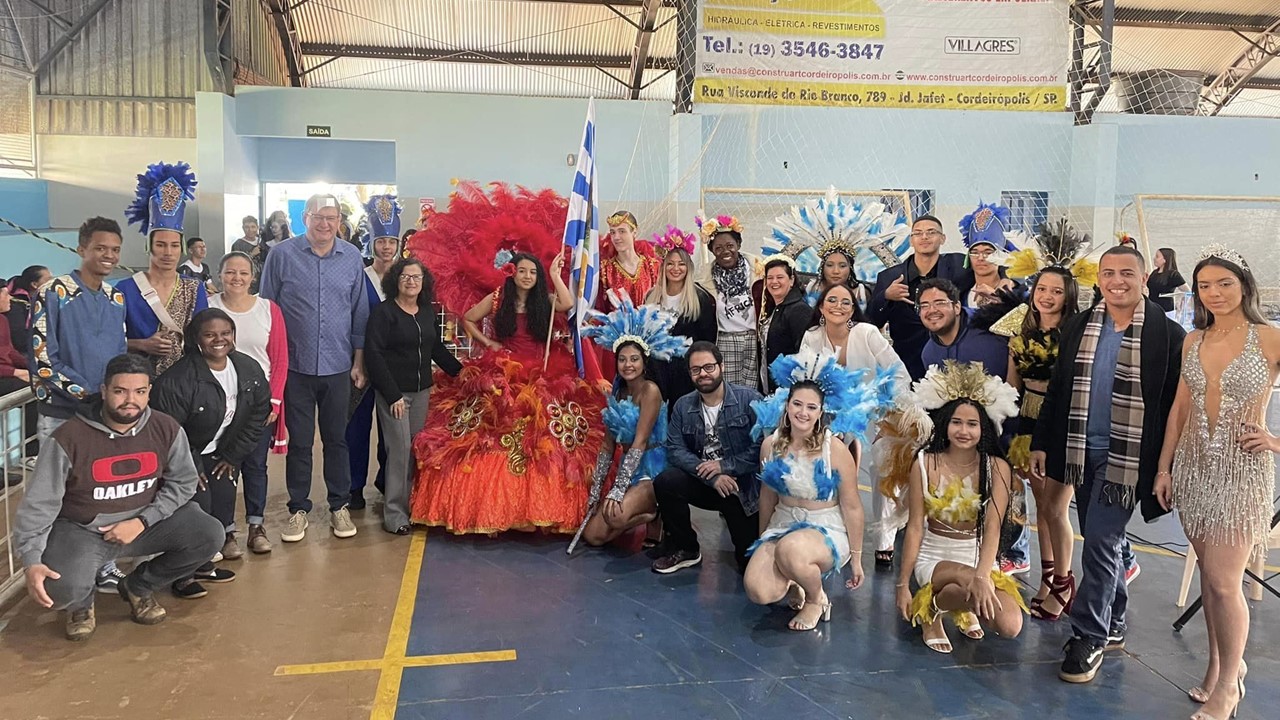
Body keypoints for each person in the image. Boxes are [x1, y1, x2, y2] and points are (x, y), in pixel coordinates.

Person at [407, 182, 605, 535]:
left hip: (544, 370)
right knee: (487, 432)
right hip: (501, 370)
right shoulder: (499, 298)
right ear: (513, 272)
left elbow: (569, 304)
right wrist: (490, 345)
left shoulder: (545, 298)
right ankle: (489, 506)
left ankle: (541, 506)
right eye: (523, 271)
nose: (528, 276)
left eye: (533, 271)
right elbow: (467, 317)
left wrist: (557, 276)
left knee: (546, 437)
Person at [1031, 243, 1185, 685]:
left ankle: (1089, 635)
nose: (1117, 281)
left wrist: (1166, 465)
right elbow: (1060, 390)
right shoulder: (1081, 325)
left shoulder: (1167, 335)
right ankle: (1114, 617)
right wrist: (1043, 441)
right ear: (1098, 279)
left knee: (1099, 537)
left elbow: (1175, 406)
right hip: (1082, 450)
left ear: (1143, 279)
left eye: (1127, 273)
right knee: (1106, 538)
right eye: (1108, 273)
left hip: (1129, 458)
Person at [14, 353, 223, 641]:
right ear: (104, 391)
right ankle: (81, 604)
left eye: (139, 391)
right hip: (83, 531)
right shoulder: (68, 438)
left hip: (143, 526)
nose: (130, 400)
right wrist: (31, 559)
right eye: (120, 391)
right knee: (57, 590)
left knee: (209, 534)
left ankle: (138, 587)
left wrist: (143, 521)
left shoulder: (166, 428)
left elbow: (184, 482)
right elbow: (39, 504)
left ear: (149, 392)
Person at [1155, 245, 1279, 720]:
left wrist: (1274, 440)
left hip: (1242, 471)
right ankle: (1217, 668)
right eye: (1205, 285)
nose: (1214, 293)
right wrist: (1165, 468)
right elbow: (1180, 409)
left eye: (1224, 283)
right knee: (1211, 578)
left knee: (1226, 583)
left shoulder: (1269, 339)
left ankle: (1231, 682)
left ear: (1244, 286)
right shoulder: (1194, 340)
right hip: (1192, 469)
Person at [988, 222, 1097, 620]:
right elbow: (1011, 384)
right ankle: (1051, 578)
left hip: (1064, 424)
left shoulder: (1079, 333)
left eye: (1055, 291)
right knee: (1040, 506)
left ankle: (1064, 582)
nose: (1047, 297)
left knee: (1056, 507)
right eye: (1041, 289)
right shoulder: (1020, 330)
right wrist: (1009, 427)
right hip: (1028, 424)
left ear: (1068, 296)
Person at [744, 348, 894, 631]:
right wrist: (763, 538)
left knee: (790, 551)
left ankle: (816, 599)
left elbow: (852, 506)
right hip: (783, 522)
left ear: (821, 412)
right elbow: (767, 497)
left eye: (811, 407)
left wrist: (858, 559)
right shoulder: (771, 445)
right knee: (759, 590)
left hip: (825, 528)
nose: (803, 412)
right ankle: (797, 581)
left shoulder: (834, 450)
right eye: (797, 404)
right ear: (787, 406)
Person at [895, 360, 1027, 653]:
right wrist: (902, 584)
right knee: (966, 579)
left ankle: (958, 603)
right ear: (945, 423)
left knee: (1010, 625)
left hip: (979, 556)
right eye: (957, 422)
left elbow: (993, 526)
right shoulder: (924, 463)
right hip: (935, 556)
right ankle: (931, 611)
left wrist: (983, 573)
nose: (963, 431)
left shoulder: (997, 467)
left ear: (985, 429)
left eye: (972, 424)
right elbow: (915, 527)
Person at [260, 193, 370, 542]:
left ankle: (339, 505)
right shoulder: (281, 256)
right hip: (296, 367)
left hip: (338, 367)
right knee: (301, 443)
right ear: (304, 218)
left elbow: (359, 312)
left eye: (331, 217)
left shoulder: (351, 256)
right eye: (317, 217)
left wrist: (358, 360)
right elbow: (268, 310)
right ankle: (298, 509)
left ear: (340, 220)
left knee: (338, 440)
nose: (324, 224)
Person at [150, 308, 269, 596]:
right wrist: (190, 466)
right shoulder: (178, 379)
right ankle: (183, 576)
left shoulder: (247, 368)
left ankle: (203, 565)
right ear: (197, 340)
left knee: (222, 504)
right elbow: (168, 430)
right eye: (210, 334)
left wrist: (233, 456)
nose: (219, 339)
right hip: (187, 456)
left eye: (226, 333)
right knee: (197, 510)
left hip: (221, 452)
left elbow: (258, 413)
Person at [801, 283, 912, 568]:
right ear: (821, 306)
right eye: (832, 300)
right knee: (827, 466)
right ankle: (834, 529)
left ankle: (884, 540)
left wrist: (891, 409)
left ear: (853, 309)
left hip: (876, 408)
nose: (838, 306)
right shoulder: (812, 336)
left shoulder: (867, 332)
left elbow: (898, 371)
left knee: (881, 468)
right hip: (832, 413)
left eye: (846, 302)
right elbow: (803, 378)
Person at [575, 294, 690, 549]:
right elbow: (607, 446)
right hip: (629, 470)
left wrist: (618, 489)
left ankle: (655, 512)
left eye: (634, 359)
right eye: (623, 359)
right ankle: (637, 513)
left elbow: (639, 443)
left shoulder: (650, 391)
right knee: (593, 536)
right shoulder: (617, 393)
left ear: (644, 361)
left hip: (652, 471)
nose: (628, 365)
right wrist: (596, 491)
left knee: (615, 513)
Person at [364, 257, 462, 535]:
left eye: (416, 277)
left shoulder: (427, 313)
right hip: (394, 393)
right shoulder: (384, 313)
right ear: (396, 279)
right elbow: (374, 355)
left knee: (417, 450)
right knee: (399, 451)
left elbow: (436, 349)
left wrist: (461, 373)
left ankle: (414, 505)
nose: (410, 282)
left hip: (422, 392)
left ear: (424, 282)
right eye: (405, 276)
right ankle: (395, 513)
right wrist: (392, 394)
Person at [652, 340, 763, 574]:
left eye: (709, 367)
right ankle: (687, 548)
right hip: (706, 482)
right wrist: (710, 475)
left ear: (721, 366)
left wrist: (725, 466)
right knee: (666, 481)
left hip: (739, 488)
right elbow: (675, 449)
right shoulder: (683, 406)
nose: (703, 374)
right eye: (696, 369)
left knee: (748, 563)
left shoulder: (749, 400)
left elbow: (762, 447)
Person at [209, 252, 288, 554]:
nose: (237, 278)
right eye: (230, 272)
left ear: (253, 277)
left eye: (243, 273)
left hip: (258, 402)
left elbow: (280, 360)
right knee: (224, 466)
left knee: (256, 465)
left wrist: (275, 401)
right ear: (220, 275)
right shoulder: (209, 307)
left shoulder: (268, 310)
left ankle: (256, 525)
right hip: (219, 401)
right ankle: (226, 531)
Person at [117, 162, 208, 375]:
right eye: (160, 244)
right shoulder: (125, 289)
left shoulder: (195, 288)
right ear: (149, 246)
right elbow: (109, 340)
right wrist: (141, 344)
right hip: (136, 378)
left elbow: (203, 335)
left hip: (184, 382)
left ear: (182, 248)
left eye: (174, 245)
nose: (168, 252)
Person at [868, 215, 975, 381]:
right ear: (911, 240)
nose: (924, 237)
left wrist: (1005, 277)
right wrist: (886, 296)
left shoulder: (959, 265)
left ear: (943, 238)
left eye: (931, 232)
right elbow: (872, 321)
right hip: (906, 364)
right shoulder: (889, 277)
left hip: (952, 360)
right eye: (918, 233)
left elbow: (992, 263)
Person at [346, 195, 401, 511]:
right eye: (380, 240)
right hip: (363, 365)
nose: (385, 247)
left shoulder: (406, 279)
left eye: (391, 241)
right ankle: (354, 486)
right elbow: (354, 321)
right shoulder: (360, 277)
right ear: (371, 241)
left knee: (392, 430)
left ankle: (386, 482)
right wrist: (359, 361)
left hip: (395, 367)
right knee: (356, 428)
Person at [694, 215, 762, 388]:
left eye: (730, 246)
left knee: (752, 391)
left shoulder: (758, 269)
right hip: (725, 340)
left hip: (754, 338)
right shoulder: (704, 279)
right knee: (728, 390)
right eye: (718, 248)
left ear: (738, 245)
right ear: (712, 250)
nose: (725, 251)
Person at [644, 240, 716, 401]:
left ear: (688, 267)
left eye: (681, 264)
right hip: (656, 371)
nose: (676, 269)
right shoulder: (651, 296)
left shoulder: (700, 298)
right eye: (670, 264)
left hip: (686, 372)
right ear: (663, 267)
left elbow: (707, 339)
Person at [918, 279, 1010, 379]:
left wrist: (1005, 302)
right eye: (924, 305)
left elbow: (1025, 321)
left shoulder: (988, 322)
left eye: (940, 303)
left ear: (957, 307)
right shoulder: (929, 355)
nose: (932, 310)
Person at [754, 258, 811, 393]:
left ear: (791, 280)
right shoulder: (773, 308)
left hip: (789, 386)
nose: (774, 282)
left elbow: (805, 352)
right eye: (770, 278)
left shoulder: (799, 310)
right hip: (770, 384)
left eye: (780, 277)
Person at [0, 286, 36, 467]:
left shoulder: (3, 320)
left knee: (40, 382)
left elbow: (9, 351)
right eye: (5, 294)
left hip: (6, 372)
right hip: (3, 375)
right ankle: (29, 454)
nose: (10, 298)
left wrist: (33, 367)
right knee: (30, 391)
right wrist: (15, 372)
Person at [958, 202, 1018, 308]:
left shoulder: (1018, 294)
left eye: (988, 252)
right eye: (975, 252)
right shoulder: (961, 295)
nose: (981, 258)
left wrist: (996, 297)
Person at [6, 264, 51, 355]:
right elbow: (19, 339)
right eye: (49, 280)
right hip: (22, 352)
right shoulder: (15, 305)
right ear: (34, 284)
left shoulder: (44, 301)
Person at [1147, 247, 1187, 314]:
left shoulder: (1173, 275)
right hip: (1152, 308)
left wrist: (1181, 301)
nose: (1154, 258)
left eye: (1157, 256)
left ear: (1165, 259)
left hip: (1166, 310)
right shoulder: (1154, 273)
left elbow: (1187, 291)